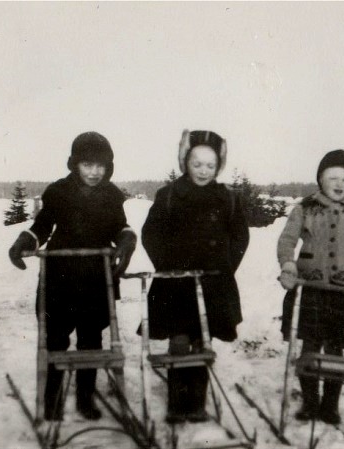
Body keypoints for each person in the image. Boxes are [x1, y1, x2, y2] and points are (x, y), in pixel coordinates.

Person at [8, 131, 137, 421]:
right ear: (75, 164)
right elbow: (42, 226)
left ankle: (84, 398)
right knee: (55, 338)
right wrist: (25, 242)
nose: (94, 172)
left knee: (91, 339)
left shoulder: (111, 195)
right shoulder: (58, 192)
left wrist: (127, 241)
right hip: (61, 277)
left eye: (101, 166)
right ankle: (52, 399)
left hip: (96, 277)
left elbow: (120, 227)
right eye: (87, 164)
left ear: (109, 167)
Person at [141, 129, 249, 423]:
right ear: (185, 162)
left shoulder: (227, 199)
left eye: (210, 165)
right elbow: (151, 233)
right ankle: (178, 403)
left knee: (203, 341)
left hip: (213, 283)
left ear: (219, 167)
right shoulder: (170, 196)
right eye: (197, 163)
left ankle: (197, 403)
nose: (203, 171)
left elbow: (240, 237)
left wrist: (226, 267)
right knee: (179, 341)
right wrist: (165, 264)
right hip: (175, 285)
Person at [276, 149, 344, 425]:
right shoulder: (304, 209)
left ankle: (329, 405)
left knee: (336, 352)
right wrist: (288, 266)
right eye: (333, 178)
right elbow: (286, 242)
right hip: (309, 289)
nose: (339, 184)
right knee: (310, 348)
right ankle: (310, 403)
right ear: (321, 180)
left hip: (343, 296)